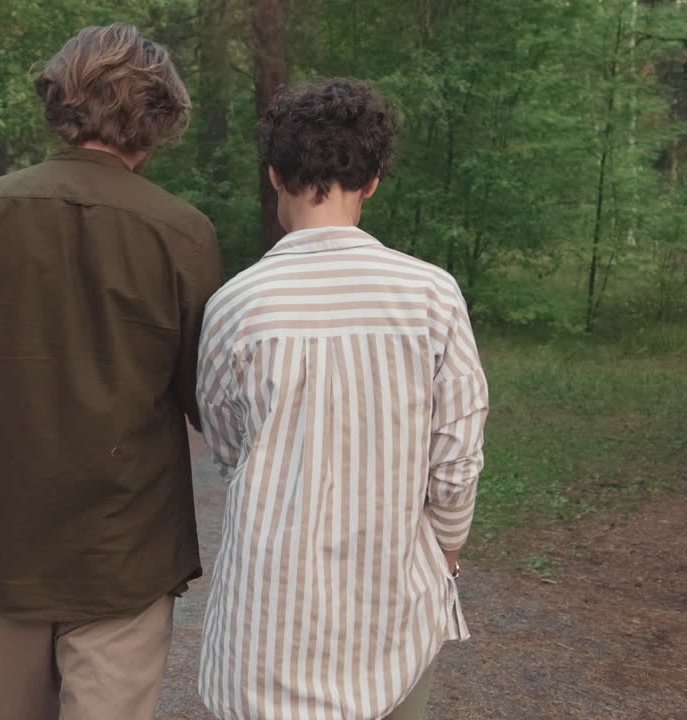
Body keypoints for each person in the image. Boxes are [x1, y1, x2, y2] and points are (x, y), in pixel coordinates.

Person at [0, 24, 223, 720]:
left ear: (60, 102)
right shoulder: (182, 233)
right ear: (158, 117)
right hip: (125, 555)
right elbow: (210, 402)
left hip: (2, 550)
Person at [195, 79, 489, 720]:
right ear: (375, 179)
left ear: (275, 175)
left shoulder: (235, 305)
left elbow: (227, 445)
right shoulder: (432, 297)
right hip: (393, 607)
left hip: (265, 625)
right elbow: (458, 455)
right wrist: (446, 550)